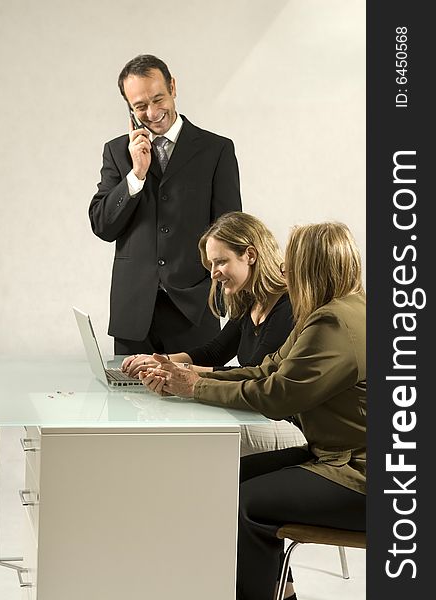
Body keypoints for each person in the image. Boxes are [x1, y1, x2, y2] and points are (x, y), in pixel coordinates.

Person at [140, 222, 366, 600]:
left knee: (245, 501)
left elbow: (277, 395)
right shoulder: (329, 312)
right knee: (222, 478)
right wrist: (188, 376)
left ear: (309, 266)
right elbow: (267, 369)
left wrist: (194, 387)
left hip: (360, 473)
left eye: (290, 263)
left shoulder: (332, 323)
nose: (283, 271)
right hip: (336, 457)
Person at [89, 54, 242, 355]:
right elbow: (102, 225)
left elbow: (231, 230)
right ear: (129, 109)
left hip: (195, 310)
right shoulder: (118, 152)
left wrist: (225, 295)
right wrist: (136, 175)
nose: (152, 112)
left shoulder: (216, 150)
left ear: (172, 87)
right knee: (128, 400)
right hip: (133, 314)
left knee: (194, 399)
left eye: (158, 98)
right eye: (140, 106)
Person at [121, 211, 305, 455]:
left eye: (220, 262)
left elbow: (253, 375)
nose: (213, 274)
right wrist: (160, 361)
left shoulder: (288, 306)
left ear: (249, 255)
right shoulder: (252, 302)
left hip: (288, 425)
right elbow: (215, 351)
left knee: (188, 425)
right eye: (211, 264)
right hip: (256, 415)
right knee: (174, 412)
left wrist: (182, 375)